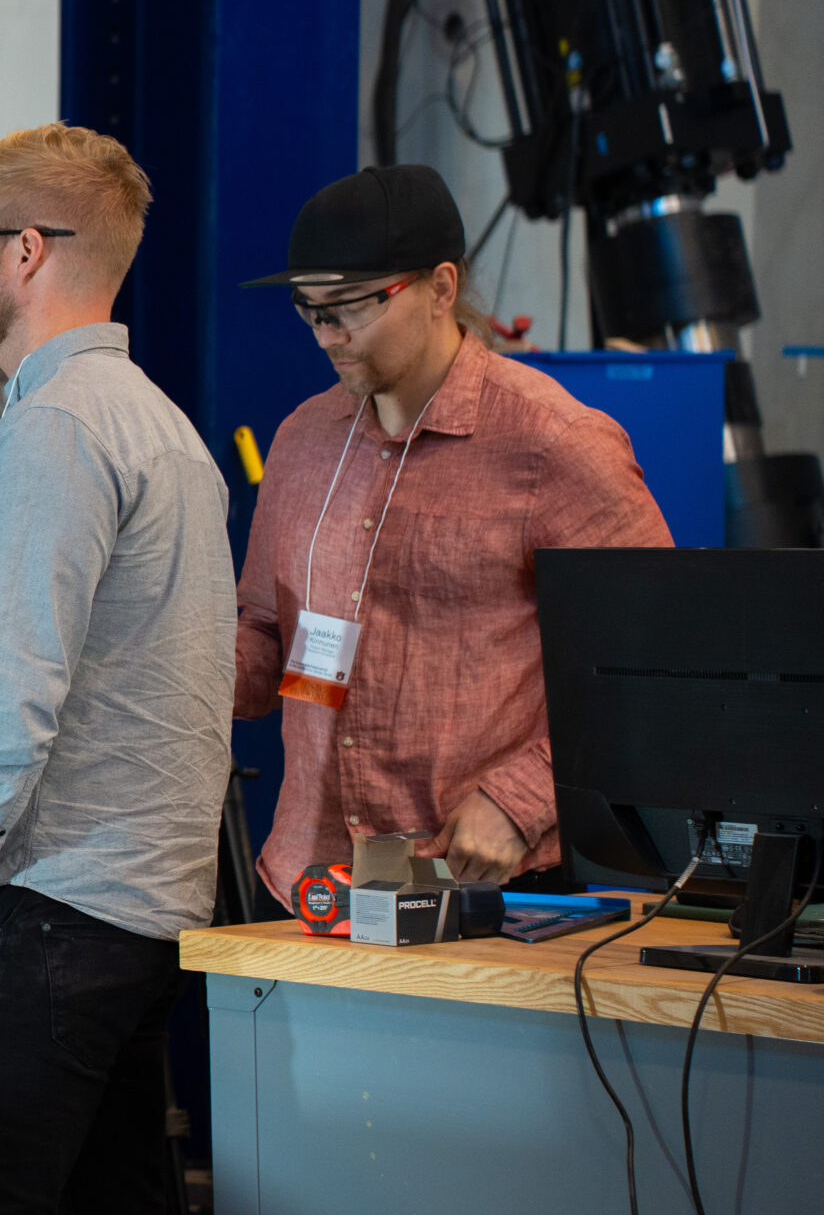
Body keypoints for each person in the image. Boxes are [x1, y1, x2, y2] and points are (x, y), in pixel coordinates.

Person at [0, 124, 234, 1215]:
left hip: (38, 917)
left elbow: (9, 690)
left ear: (25, 251)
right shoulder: (162, 428)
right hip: (135, 915)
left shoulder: (53, 432)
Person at [236, 164, 671, 899]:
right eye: (310, 311)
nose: (327, 337)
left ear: (441, 287)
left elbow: (657, 658)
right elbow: (265, 638)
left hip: (483, 887)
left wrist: (522, 799)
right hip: (312, 888)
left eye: (351, 306)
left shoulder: (553, 442)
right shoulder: (301, 441)